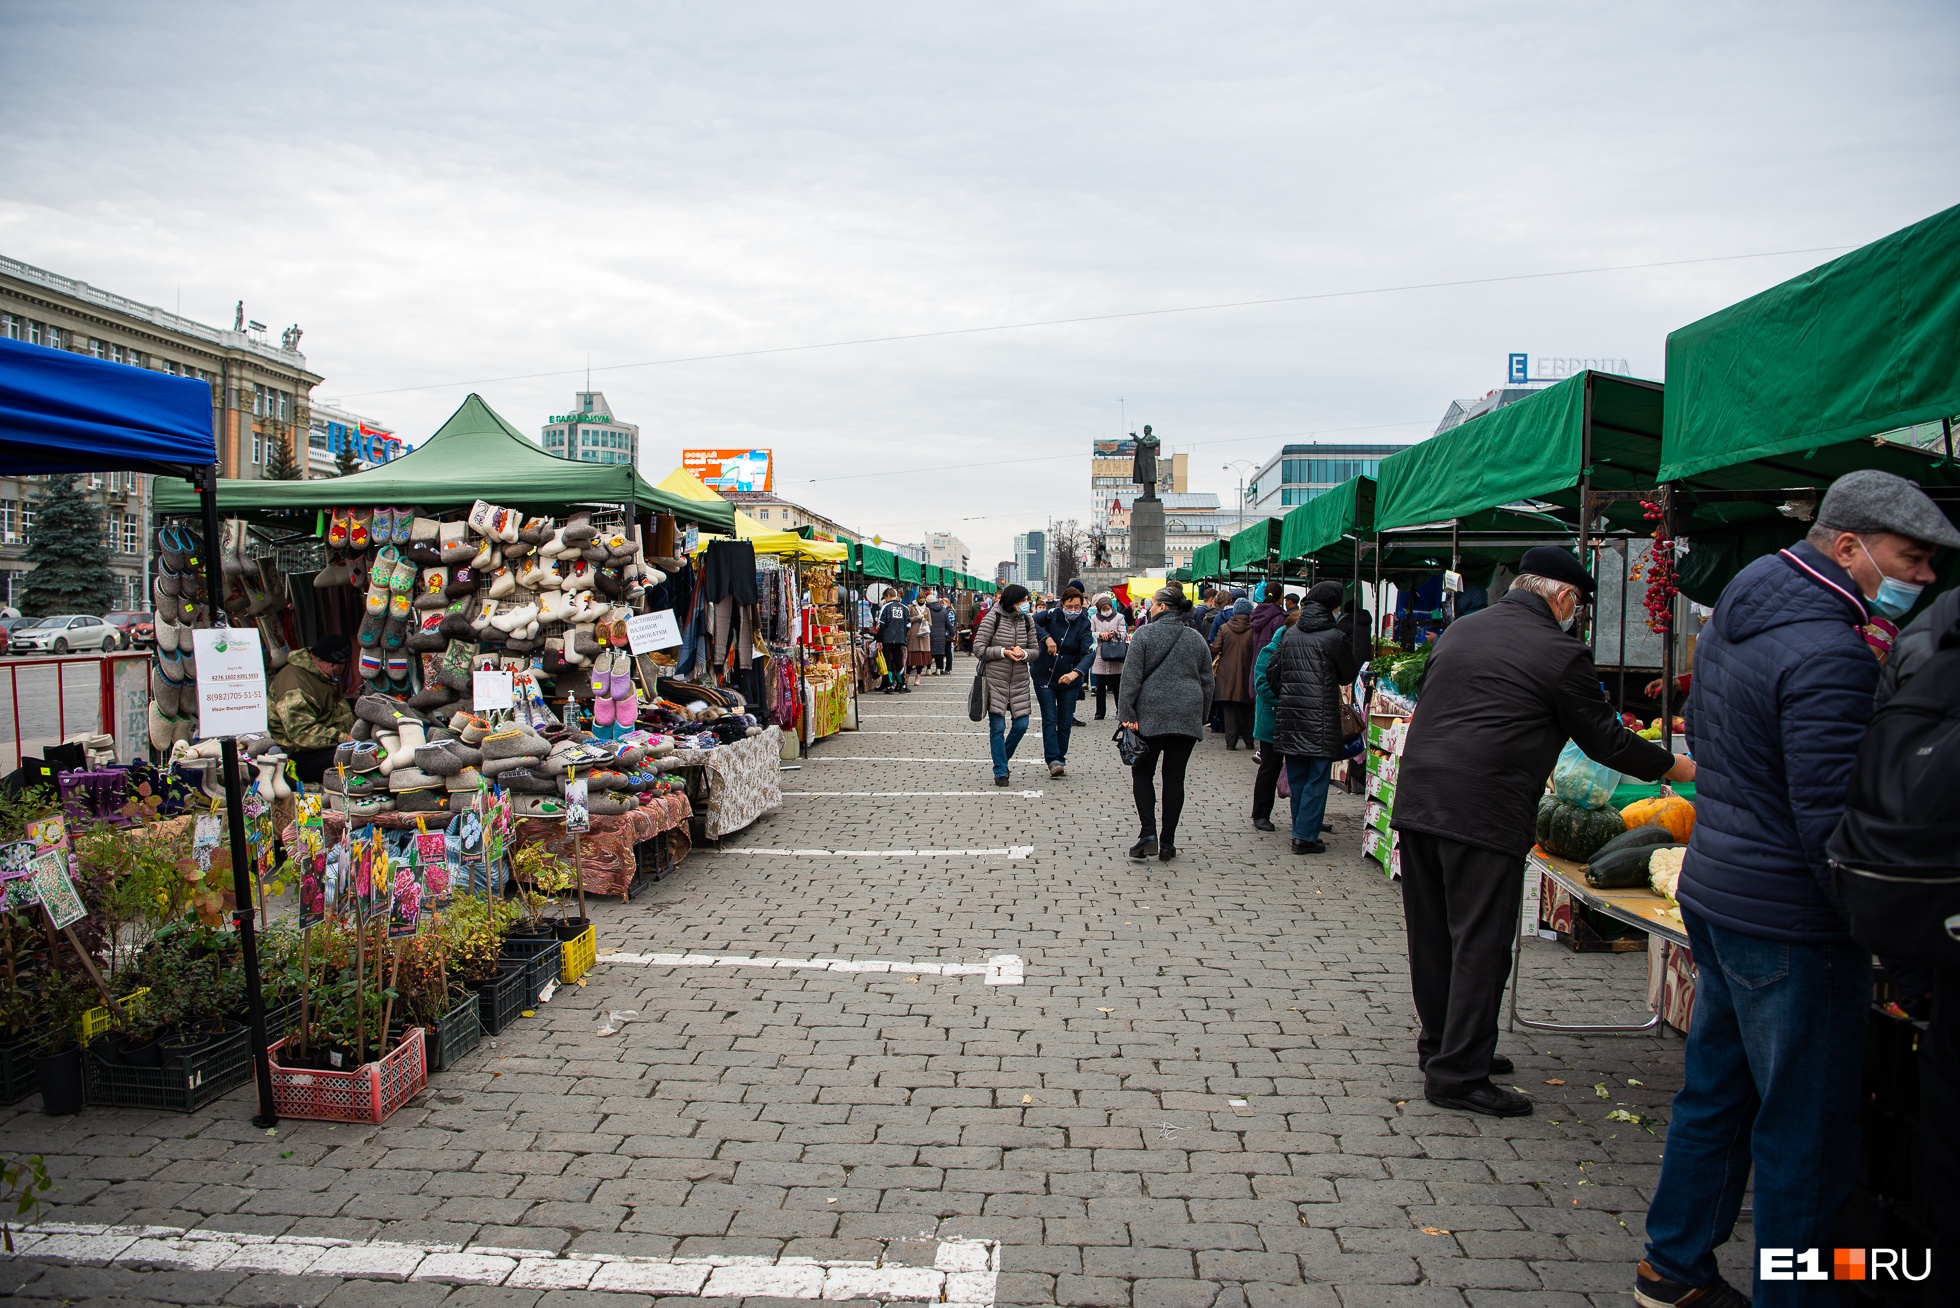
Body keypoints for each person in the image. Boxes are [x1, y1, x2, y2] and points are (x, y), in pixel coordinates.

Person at [1635, 471, 1956, 1308]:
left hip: (1721, 890)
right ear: (1848, 546)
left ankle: (1672, 1267)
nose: (1923, 580)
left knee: (1717, 1094)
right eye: (1910, 559)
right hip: (1792, 919)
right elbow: (1830, 820)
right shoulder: (1828, 650)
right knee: (1805, 1137)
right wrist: (1882, 933)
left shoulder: (1751, 601)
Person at [1394, 547, 1690, 1120]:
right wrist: (1678, 768)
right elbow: (1606, 740)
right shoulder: (1560, 651)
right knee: (1480, 940)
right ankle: (1459, 1075)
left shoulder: (1460, 630)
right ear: (1561, 596)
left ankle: (1445, 1048)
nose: (1574, 614)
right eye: (1576, 604)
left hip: (1422, 797)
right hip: (1484, 809)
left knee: (1433, 934)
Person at [1118, 585, 1215, 862]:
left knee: (1142, 772)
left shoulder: (1144, 634)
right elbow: (1207, 681)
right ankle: (1168, 842)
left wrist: (1127, 713)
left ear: (1161, 607)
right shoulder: (1195, 638)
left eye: (1152, 604)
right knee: (1174, 777)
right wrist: (1203, 715)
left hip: (1149, 715)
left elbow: (1131, 677)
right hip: (1186, 714)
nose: (1149, 607)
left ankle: (1148, 833)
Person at [1265, 581, 1358, 853]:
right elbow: (1347, 675)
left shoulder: (1290, 633)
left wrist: (1288, 695)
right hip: (1321, 717)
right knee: (1317, 778)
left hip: (1291, 716)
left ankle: (1300, 830)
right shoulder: (1335, 636)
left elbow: (1273, 673)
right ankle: (1305, 836)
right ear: (1334, 606)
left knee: (1298, 777)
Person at [268, 633, 355, 782]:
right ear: (333, 665)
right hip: (297, 756)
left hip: (318, 749)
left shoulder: (320, 676)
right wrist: (344, 738)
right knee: (353, 756)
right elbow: (302, 734)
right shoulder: (296, 686)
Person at [973, 583, 1036, 788]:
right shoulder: (994, 617)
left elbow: (1036, 651)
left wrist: (1024, 653)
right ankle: (1000, 770)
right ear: (1013, 601)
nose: (1026, 604)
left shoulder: (1027, 621)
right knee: (997, 727)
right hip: (995, 681)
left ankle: (1002, 759)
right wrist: (1002, 652)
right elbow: (979, 648)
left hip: (1019, 681)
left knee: (1021, 725)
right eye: (1023, 600)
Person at [1030, 588, 1095, 777]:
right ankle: (1053, 760)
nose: (1073, 610)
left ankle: (1060, 756)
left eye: (1077, 606)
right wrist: (1046, 637)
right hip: (1044, 675)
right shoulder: (1051, 615)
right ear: (1062, 604)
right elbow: (1030, 622)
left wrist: (1076, 673)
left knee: (1065, 721)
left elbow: (1089, 651)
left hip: (1069, 679)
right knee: (1050, 719)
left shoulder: (1084, 623)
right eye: (1069, 606)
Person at [1249, 607, 1297, 831]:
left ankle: (1304, 817)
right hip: (1273, 719)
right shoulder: (1270, 650)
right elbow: (1261, 684)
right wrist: (1286, 701)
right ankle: (1260, 814)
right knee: (1270, 767)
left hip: (1298, 720)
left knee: (1300, 769)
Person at [1211, 597, 1259, 750]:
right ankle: (1249, 741)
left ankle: (1230, 743)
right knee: (1248, 710)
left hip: (1227, 675)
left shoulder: (1224, 628)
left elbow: (1215, 647)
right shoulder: (1254, 629)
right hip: (1248, 673)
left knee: (1229, 709)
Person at [1088, 592, 1128, 720]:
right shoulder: (1094, 618)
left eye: (1108, 608)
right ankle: (1100, 712)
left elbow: (1124, 633)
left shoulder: (1119, 617)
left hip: (1116, 654)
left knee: (1117, 686)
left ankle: (1119, 711)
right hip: (1100, 654)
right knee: (1100, 686)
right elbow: (1090, 633)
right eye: (1104, 609)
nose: (1106, 611)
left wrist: (1115, 633)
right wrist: (1101, 634)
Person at [875, 589, 910, 693]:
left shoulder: (886, 607)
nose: (885, 600)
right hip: (900, 638)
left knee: (887, 662)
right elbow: (908, 625)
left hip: (887, 638)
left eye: (885, 598)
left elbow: (881, 624)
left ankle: (890, 684)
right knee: (899, 661)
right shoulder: (904, 607)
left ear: (888, 596)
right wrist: (902, 633)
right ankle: (901, 684)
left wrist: (879, 640)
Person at [905, 592, 932, 688]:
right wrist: (917, 618)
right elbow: (907, 619)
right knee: (911, 659)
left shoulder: (927, 609)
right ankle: (906, 677)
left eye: (923, 599)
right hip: (914, 635)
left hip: (924, 636)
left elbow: (931, 623)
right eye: (920, 599)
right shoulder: (910, 607)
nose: (922, 601)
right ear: (917, 599)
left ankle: (918, 677)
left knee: (921, 659)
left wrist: (926, 621)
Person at [927, 591, 955, 674]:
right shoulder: (943, 611)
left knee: (931, 652)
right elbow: (949, 624)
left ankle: (929, 669)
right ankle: (938, 669)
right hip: (941, 634)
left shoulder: (927, 610)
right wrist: (952, 633)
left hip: (930, 634)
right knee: (940, 652)